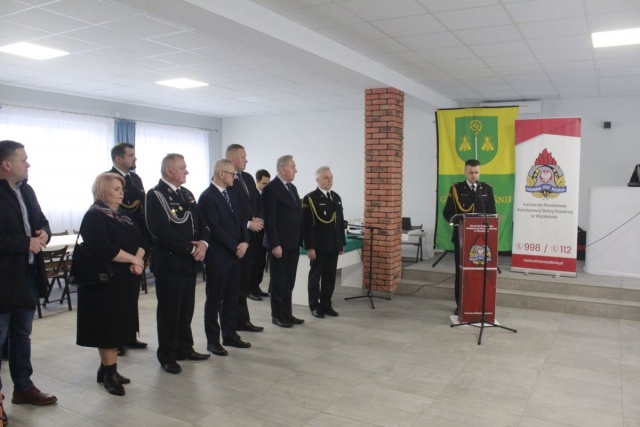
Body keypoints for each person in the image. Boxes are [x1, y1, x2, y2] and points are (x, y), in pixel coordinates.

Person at [0, 140, 57, 427]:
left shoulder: (27, 190)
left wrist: (44, 233)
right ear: (6, 164)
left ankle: (23, 387)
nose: (28, 164)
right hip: (3, 279)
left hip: (27, 277)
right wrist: (25, 243)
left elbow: (42, 221)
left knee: (21, 335)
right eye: (23, 160)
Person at [76, 173, 147, 396]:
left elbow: (143, 240)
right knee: (107, 328)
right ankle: (110, 375)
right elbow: (104, 248)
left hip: (126, 279)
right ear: (102, 191)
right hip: (104, 282)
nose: (121, 193)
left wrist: (138, 259)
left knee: (119, 325)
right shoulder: (94, 216)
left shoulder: (124, 215)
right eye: (116, 189)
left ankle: (106, 369)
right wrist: (134, 259)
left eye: (121, 189)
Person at [145, 154, 210, 374]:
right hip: (170, 262)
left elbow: (202, 221)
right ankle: (167, 354)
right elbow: (161, 231)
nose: (186, 171)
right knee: (170, 311)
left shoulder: (187, 193)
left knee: (186, 308)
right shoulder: (155, 195)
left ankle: (184, 347)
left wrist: (203, 243)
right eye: (182, 168)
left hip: (189, 262)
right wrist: (190, 249)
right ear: (169, 171)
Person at [198, 159, 251, 356]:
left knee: (231, 298)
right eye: (232, 174)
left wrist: (245, 242)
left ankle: (230, 334)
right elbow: (214, 227)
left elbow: (242, 221)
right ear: (221, 174)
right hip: (218, 256)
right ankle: (213, 341)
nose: (235, 177)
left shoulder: (231, 194)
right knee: (214, 300)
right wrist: (235, 246)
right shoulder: (207, 197)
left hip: (235, 255)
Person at [108, 142, 149, 353]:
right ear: (118, 159)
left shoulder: (135, 179)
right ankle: (117, 339)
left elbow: (142, 209)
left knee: (132, 295)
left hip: (137, 242)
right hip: (121, 244)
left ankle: (131, 335)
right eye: (131, 155)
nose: (135, 159)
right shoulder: (109, 179)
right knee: (117, 298)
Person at [443, 159, 496, 315]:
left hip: (482, 240)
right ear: (465, 172)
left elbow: (492, 213)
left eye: (477, 172)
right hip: (462, 238)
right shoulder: (456, 189)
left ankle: (479, 305)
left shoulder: (486, 188)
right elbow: (447, 212)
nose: (474, 176)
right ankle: (461, 305)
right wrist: (459, 224)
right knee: (462, 272)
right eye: (471, 172)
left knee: (480, 272)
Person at [225, 145, 264, 332]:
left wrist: (257, 220)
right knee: (235, 284)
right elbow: (230, 210)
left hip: (251, 237)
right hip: (237, 238)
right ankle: (234, 323)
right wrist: (248, 223)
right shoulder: (225, 180)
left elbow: (256, 202)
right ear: (232, 159)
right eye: (243, 157)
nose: (246, 160)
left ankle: (243, 320)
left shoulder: (247, 178)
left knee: (244, 282)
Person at [262, 155, 304, 328]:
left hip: (293, 243)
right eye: (293, 167)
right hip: (279, 244)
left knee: (289, 281)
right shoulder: (271, 189)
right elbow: (270, 220)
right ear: (282, 170)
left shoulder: (292, 187)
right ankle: (277, 315)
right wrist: (275, 244)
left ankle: (287, 313)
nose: (296, 170)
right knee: (279, 282)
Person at [301, 166, 346, 318]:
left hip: (333, 245)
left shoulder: (336, 197)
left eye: (331, 177)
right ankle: (314, 306)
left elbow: (340, 223)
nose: (329, 180)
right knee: (315, 278)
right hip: (319, 246)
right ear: (317, 180)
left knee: (330, 277)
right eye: (326, 178)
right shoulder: (310, 198)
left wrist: (341, 243)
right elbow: (307, 225)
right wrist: (310, 247)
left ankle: (326, 305)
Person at [249, 169, 271, 298]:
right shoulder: (252, 195)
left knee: (261, 262)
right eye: (264, 184)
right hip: (255, 234)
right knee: (253, 263)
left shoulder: (266, 194)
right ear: (257, 181)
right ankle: (250, 289)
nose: (266, 186)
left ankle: (257, 287)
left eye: (268, 183)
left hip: (264, 233)